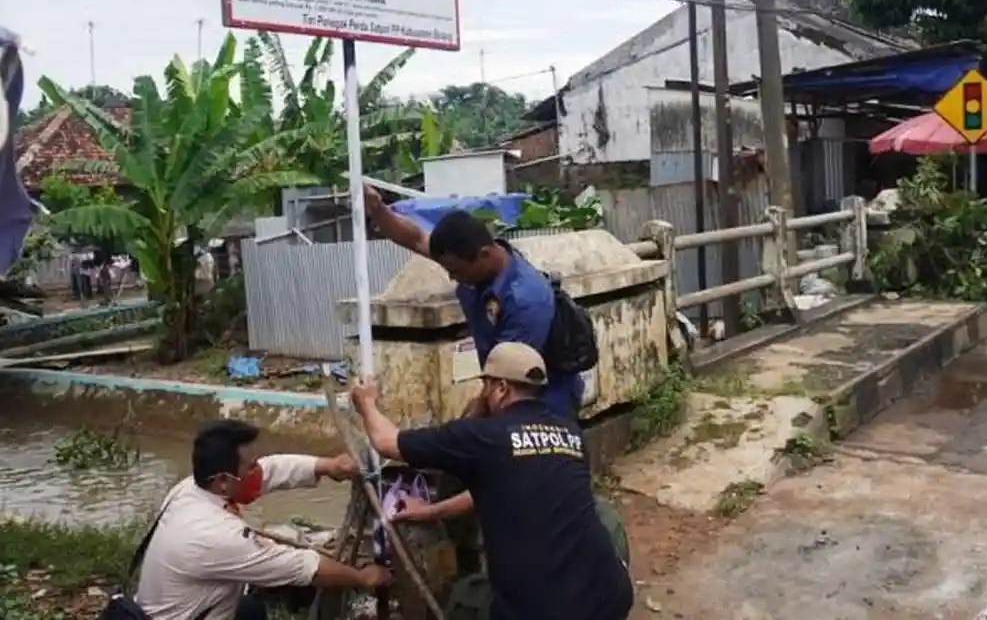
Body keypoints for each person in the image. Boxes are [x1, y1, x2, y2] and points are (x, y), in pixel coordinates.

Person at [349, 342, 633, 620]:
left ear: (501, 388)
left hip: (544, 611)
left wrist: (367, 404)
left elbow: (387, 443)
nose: (482, 393)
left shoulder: (483, 436)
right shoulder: (571, 434)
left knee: (464, 597)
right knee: (601, 512)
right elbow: (494, 488)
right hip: (609, 600)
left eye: (485, 386)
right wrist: (429, 511)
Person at [135, 420, 391, 620]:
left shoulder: (189, 489)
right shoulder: (214, 536)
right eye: (250, 467)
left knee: (250, 610)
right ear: (223, 480)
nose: (258, 471)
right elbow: (302, 566)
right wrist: (362, 578)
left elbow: (269, 471)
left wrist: (327, 466)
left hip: (168, 608)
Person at [364, 186, 582, 419]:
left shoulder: (525, 300)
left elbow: (508, 379)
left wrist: (464, 428)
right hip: (504, 385)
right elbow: (416, 238)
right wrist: (378, 211)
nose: (453, 278)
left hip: (542, 398)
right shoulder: (472, 261)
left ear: (485, 255)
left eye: (456, 271)